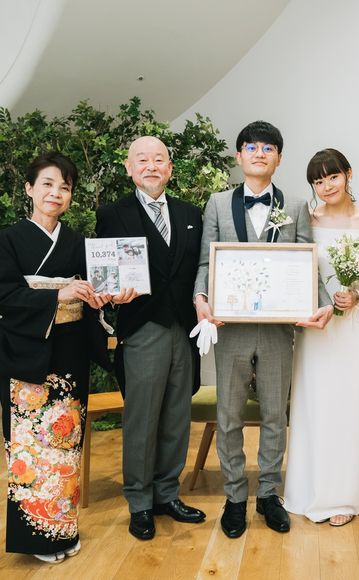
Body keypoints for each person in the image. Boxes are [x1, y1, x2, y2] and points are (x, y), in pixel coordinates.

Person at [194, 121, 333, 539]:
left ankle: (269, 493)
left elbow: (307, 263)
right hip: (231, 327)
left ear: (278, 157)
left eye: (268, 148)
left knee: (275, 413)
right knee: (229, 415)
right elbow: (206, 262)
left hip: (277, 329)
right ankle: (235, 497)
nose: (259, 154)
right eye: (251, 147)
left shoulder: (295, 204)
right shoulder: (218, 203)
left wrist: (323, 303)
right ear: (239, 156)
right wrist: (201, 298)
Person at [0, 152, 127, 563]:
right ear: (29, 189)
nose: (56, 193)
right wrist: (59, 293)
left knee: (65, 443)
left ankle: (63, 529)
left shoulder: (78, 243)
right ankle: (37, 538)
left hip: (69, 350)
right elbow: (5, 295)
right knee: (30, 446)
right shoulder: (7, 240)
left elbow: (94, 291)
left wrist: (101, 298)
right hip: (26, 351)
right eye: (48, 184)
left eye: (65, 187)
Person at [96, 136, 205, 541]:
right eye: (142, 160)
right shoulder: (113, 214)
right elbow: (104, 273)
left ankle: (167, 493)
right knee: (142, 418)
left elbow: (199, 268)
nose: (151, 166)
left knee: (177, 414)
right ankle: (139, 501)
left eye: (159, 159)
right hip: (142, 327)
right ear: (129, 168)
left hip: (184, 328)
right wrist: (110, 293)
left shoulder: (190, 213)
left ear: (170, 168)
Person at [284, 149, 359, 526]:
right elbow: (293, 270)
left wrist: (358, 293)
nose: (326, 186)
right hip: (317, 329)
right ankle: (310, 486)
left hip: (356, 328)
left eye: (332, 177)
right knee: (316, 403)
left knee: (352, 404)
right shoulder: (304, 220)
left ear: (348, 174)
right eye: (318, 181)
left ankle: (344, 494)